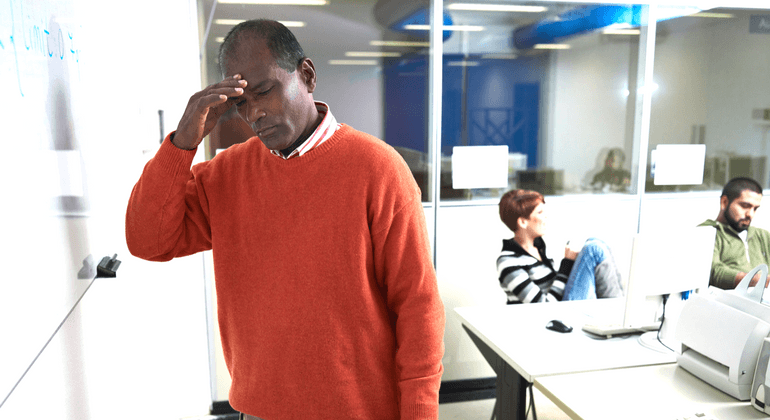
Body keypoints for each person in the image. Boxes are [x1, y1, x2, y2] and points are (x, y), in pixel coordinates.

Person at [125, 19, 445, 420]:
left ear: (307, 75)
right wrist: (183, 141)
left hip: (359, 412)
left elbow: (418, 306)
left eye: (264, 91)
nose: (255, 112)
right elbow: (148, 240)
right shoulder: (226, 175)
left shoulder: (377, 168)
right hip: (259, 412)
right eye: (242, 103)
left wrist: (419, 413)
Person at [496, 189, 624, 303]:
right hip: (548, 315)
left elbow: (556, 286)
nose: (546, 216)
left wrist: (573, 263)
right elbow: (543, 305)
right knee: (593, 249)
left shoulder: (537, 249)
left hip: (560, 306)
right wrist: (567, 263)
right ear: (523, 222)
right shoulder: (508, 262)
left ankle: (619, 307)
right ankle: (618, 309)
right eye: (540, 212)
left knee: (596, 242)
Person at [699, 177, 770, 289]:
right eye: (745, 206)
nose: (750, 214)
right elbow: (712, 272)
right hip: (727, 302)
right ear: (724, 202)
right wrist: (757, 281)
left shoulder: (762, 235)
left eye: (755, 208)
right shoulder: (707, 232)